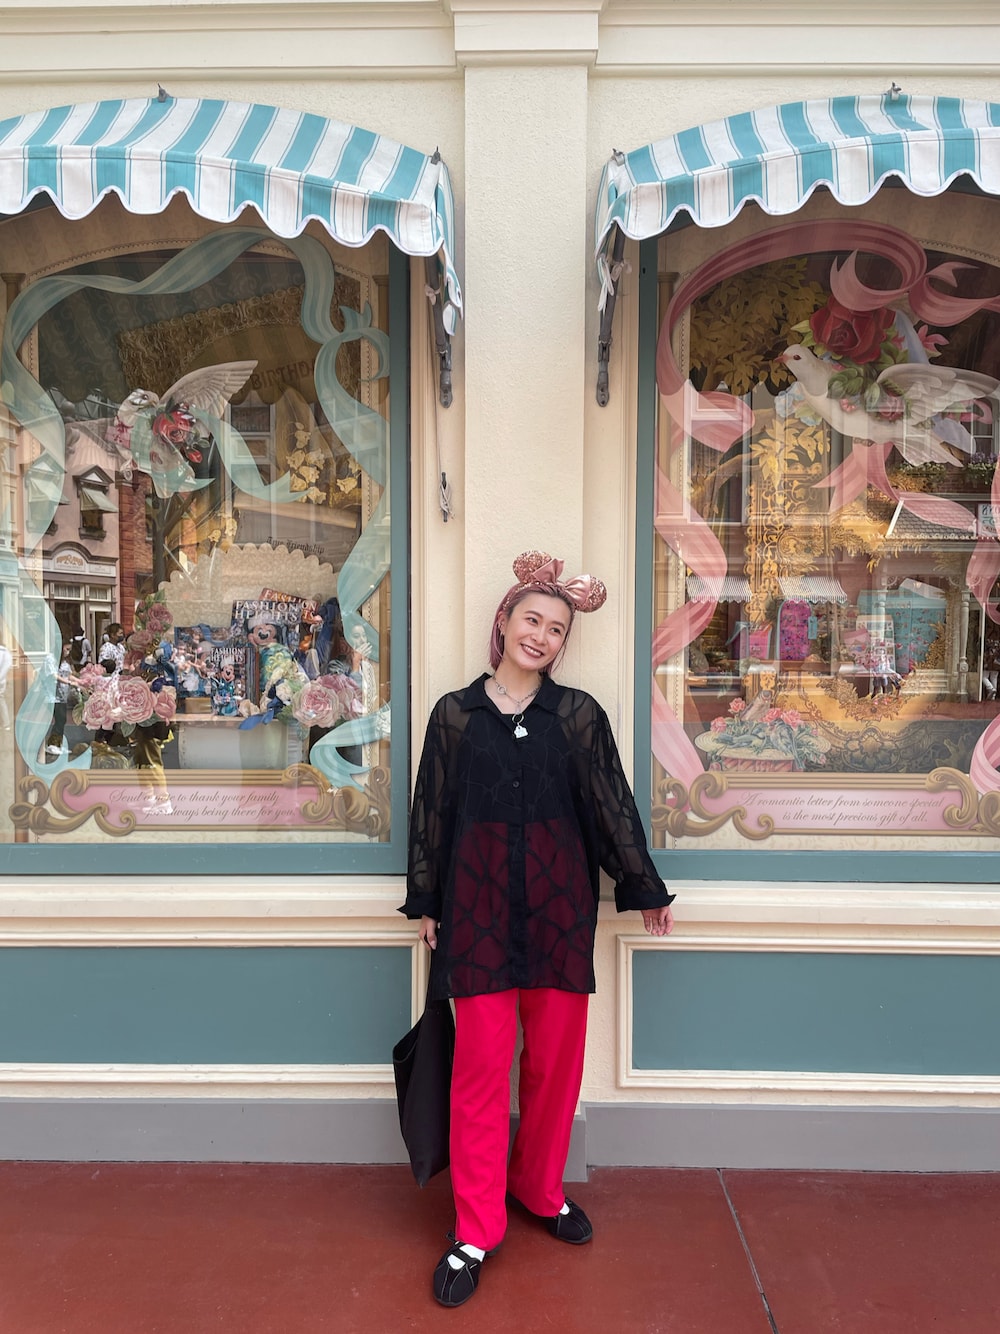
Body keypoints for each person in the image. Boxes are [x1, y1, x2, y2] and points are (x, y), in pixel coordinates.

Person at [400, 551, 675, 1309]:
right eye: (532, 620)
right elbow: (431, 812)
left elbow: (613, 807)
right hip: (476, 916)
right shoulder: (454, 715)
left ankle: (539, 1189)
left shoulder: (578, 716)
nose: (542, 637)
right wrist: (427, 899)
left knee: (554, 1067)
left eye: (557, 629)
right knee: (480, 1074)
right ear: (504, 621)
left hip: (559, 914)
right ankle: (475, 1227)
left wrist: (643, 885)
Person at [45, 643, 75, 756]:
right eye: (66, 649)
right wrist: (68, 682)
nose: (68, 652)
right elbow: (53, 675)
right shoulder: (50, 659)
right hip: (53, 695)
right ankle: (52, 744)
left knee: (62, 720)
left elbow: (69, 675)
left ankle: (58, 744)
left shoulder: (65, 662)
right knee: (60, 719)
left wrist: (79, 681)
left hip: (62, 695)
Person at [0, 638, 11, 731]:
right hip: (2, 680)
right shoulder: (5, 652)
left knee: (1, 700)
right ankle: (6, 723)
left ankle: (6, 723)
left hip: (1, 680)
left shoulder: (3, 652)